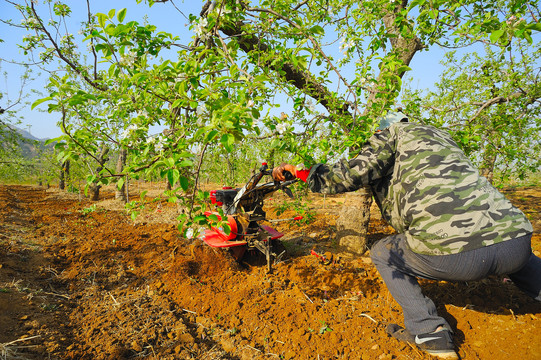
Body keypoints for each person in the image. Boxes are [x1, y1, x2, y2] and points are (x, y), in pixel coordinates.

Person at [272, 112, 540, 360]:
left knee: (383, 252)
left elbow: (349, 175)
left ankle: (429, 332)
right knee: (505, 236)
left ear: (384, 128)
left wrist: (302, 172)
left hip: (458, 257)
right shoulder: (443, 137)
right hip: (517, 243)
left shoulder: (393, 134)